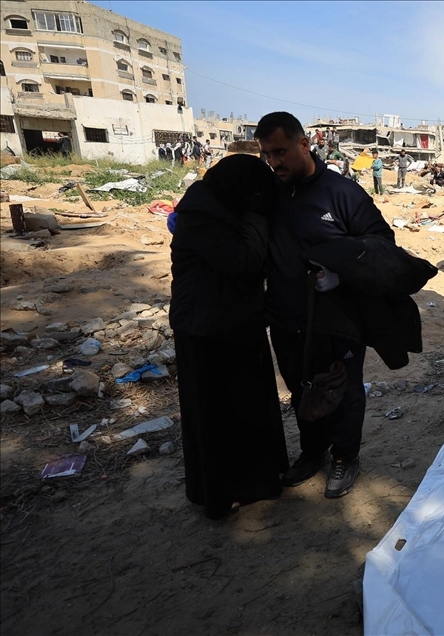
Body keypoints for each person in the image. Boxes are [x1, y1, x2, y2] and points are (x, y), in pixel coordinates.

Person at [257, 111, 394, 499]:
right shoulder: (270, 192)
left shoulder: (343, 193)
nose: (275, 162)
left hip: (339, 318)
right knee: (302, 390)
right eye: (267, 154)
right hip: (286, 317)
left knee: (344, 389)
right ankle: (313, 452)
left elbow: (383, 242)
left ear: (304, 144)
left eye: (281, 152)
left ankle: (345, 456)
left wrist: (343, 272)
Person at [170, 154, 288, 519]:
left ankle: (258, 480)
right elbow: (246, 263)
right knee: (215, 416)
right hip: (205, 331)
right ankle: (220, 495)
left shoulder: (219, 207)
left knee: (250, 406)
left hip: (235, 325)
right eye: (255, 194)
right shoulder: (203, 215)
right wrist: (256, 216)